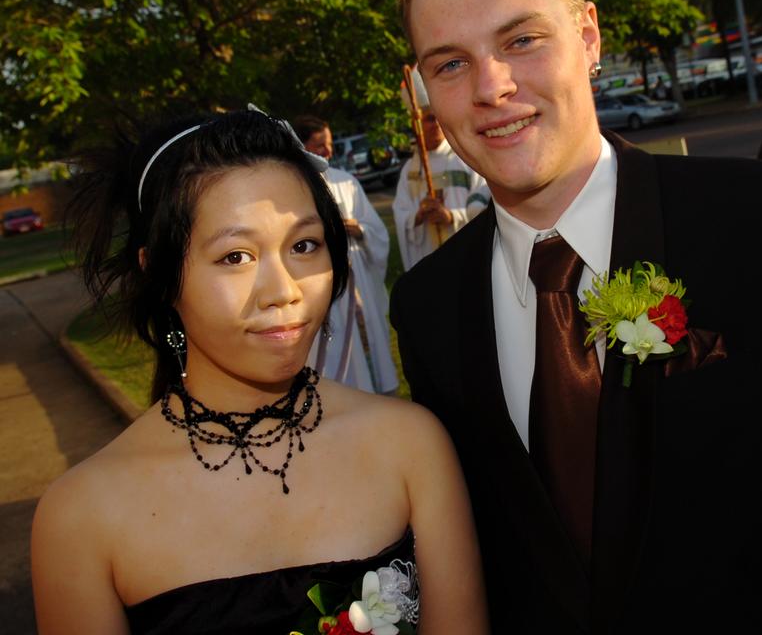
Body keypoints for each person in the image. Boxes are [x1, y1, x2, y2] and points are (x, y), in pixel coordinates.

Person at [390, 0, 762, 634]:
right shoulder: (427, 306)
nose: (492, 88)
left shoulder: (749, 217)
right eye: (451, 63)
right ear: (424, 89)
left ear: (589, 37)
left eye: (521, 40)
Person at [31, 108, 488, 634]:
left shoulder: (412, 446)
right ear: (157, 272)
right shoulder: (81, 519)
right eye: (235, 257)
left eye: (303, 246)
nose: (284, 291)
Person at [293, 114, 399, 395]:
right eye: (319, 145)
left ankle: (376, 394)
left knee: (366, 349)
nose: (327, 151)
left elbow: (377, 231)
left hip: (356, 281)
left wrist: (359, 229)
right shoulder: (295, 190)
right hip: (322, 285)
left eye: (328, 144)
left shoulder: (347, 182)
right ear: (302, 147)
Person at [393, 66, 489, 270]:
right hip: (431, 257)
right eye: (428, 119)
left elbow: (485, 203)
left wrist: (451, 217)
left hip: (470, 257)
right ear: (415, 124)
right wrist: (418, 216)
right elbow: (401, 215)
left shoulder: (467, 157)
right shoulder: (410, 171)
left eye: (439, 116)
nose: (436, 123)